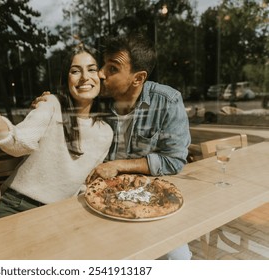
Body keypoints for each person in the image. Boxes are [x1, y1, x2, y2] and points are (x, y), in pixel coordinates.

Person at [33, 33, 192, 259]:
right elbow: (68, 101)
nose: (99, 74)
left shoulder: (167, 101)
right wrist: (48, 101)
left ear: (138, 78)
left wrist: (118, 165)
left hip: (147, 198)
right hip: (99, 197)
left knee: (178, 258)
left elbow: (174, 160)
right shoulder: (98, 98)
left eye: (112, 69)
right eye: (103, 65)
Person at [0, 44, 113, 220]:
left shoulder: (106, 133)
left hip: (57, 215)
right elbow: (19, 142)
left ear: (101, 76)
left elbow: (84, 184)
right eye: (75, 71)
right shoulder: (52, 104)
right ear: (66, 79)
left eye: (91, 69)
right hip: (16, 206)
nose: (84, 77)